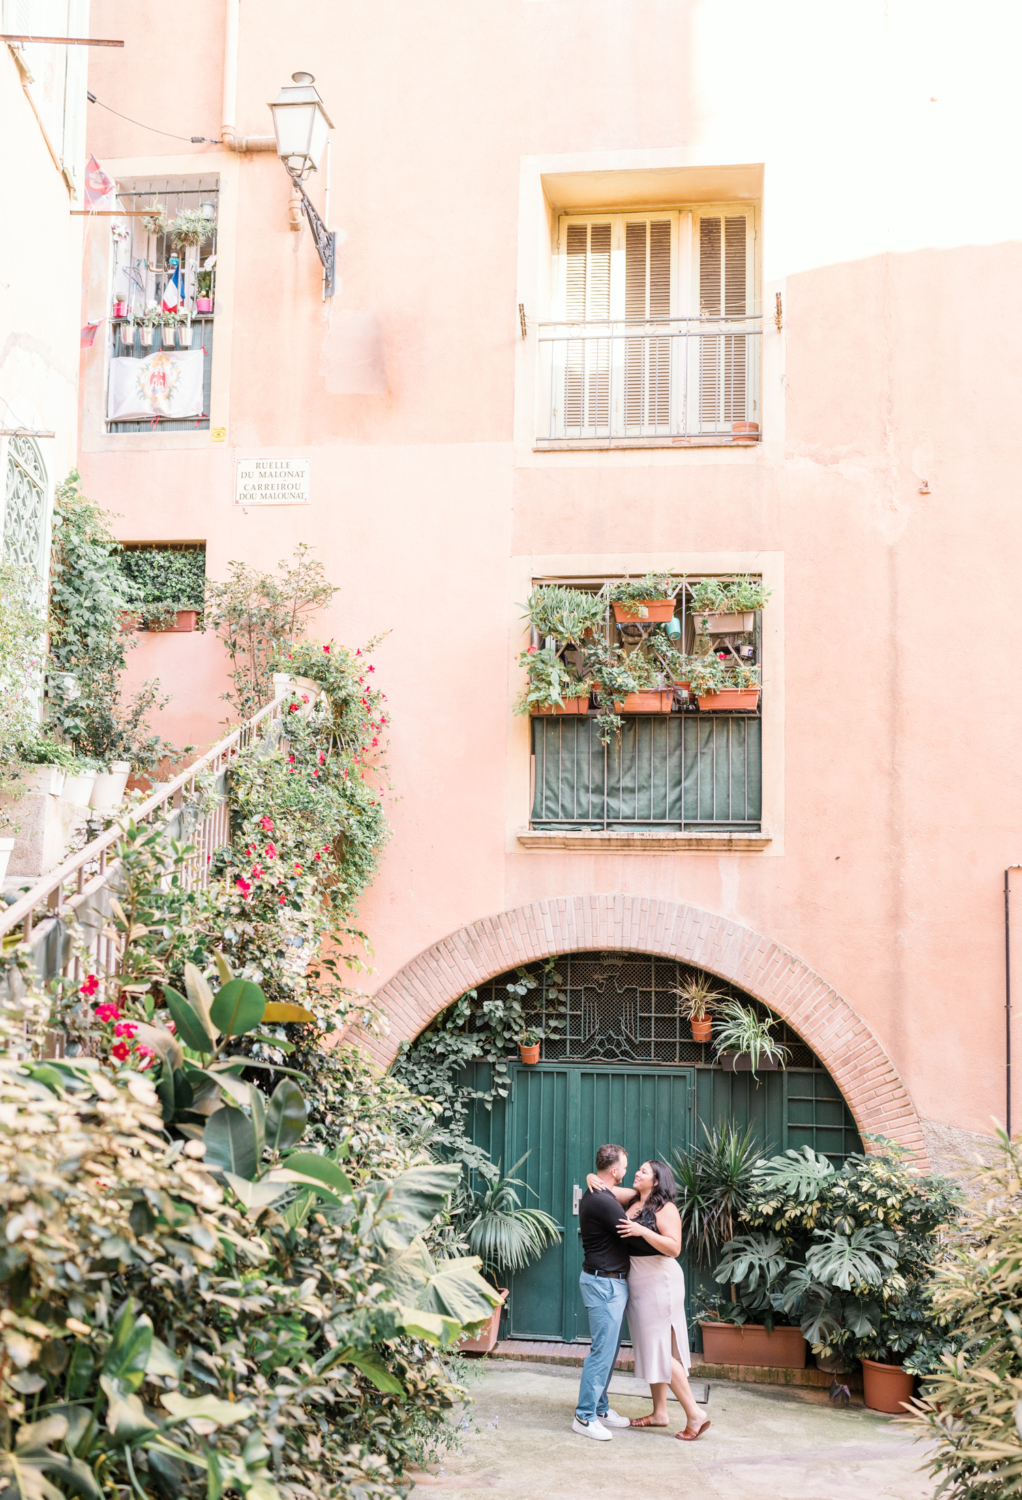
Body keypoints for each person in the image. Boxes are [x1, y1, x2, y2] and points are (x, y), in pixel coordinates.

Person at [586, 1158, 710, 1441]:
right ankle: (660, 1413)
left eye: (643, 1171)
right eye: (637, 1168)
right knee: (655, 1347)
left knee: (662, 1350)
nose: (637, 1173)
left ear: (656, 1181)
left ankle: (694, 1413)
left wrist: (643, 1230)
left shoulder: (665, 1208)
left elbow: (674, 1247)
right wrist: (591, 1176)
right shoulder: (633, 1199)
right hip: (640, 1281)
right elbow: (603, 1187)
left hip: (659, 1279)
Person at [572, 1143, 634, 1440]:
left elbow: (634, 1195)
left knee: (609, 1351)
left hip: (608, 1282)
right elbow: (633, 1233)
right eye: (625, 1166)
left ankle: (599, 1408)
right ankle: (584, 1416)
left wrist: (589, 1176)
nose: (627, 1170)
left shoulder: (600, 1193)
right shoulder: (602, 1200)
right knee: (602, 1351)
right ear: (614, 1170)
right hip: (604, 1283)